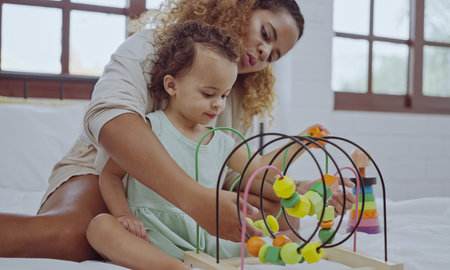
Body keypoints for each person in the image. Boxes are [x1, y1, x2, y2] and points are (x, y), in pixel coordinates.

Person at [0, 0, 356, 262]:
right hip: (102, 174)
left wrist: (301, 192)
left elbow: (235, 173)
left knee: (277, 211)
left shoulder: (234, 97)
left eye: (274, 54)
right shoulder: (154, 47)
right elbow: (112, 122)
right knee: (74, 233)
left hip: (188, 205)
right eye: (265, 33)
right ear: (239, 7)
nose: (264, 52)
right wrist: (195, 199)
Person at [86, 20, 327, 270]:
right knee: (99, 227)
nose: (218, 105)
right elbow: (110, 176)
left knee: (289, 234)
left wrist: (302, 142)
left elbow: (262, 167)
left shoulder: (222, 140)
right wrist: (123, 215)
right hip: (152, 233)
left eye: (224, 95)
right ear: (172, 86)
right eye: (208, 94)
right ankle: (172, 267)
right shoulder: (149, 129)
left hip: (206, 238)